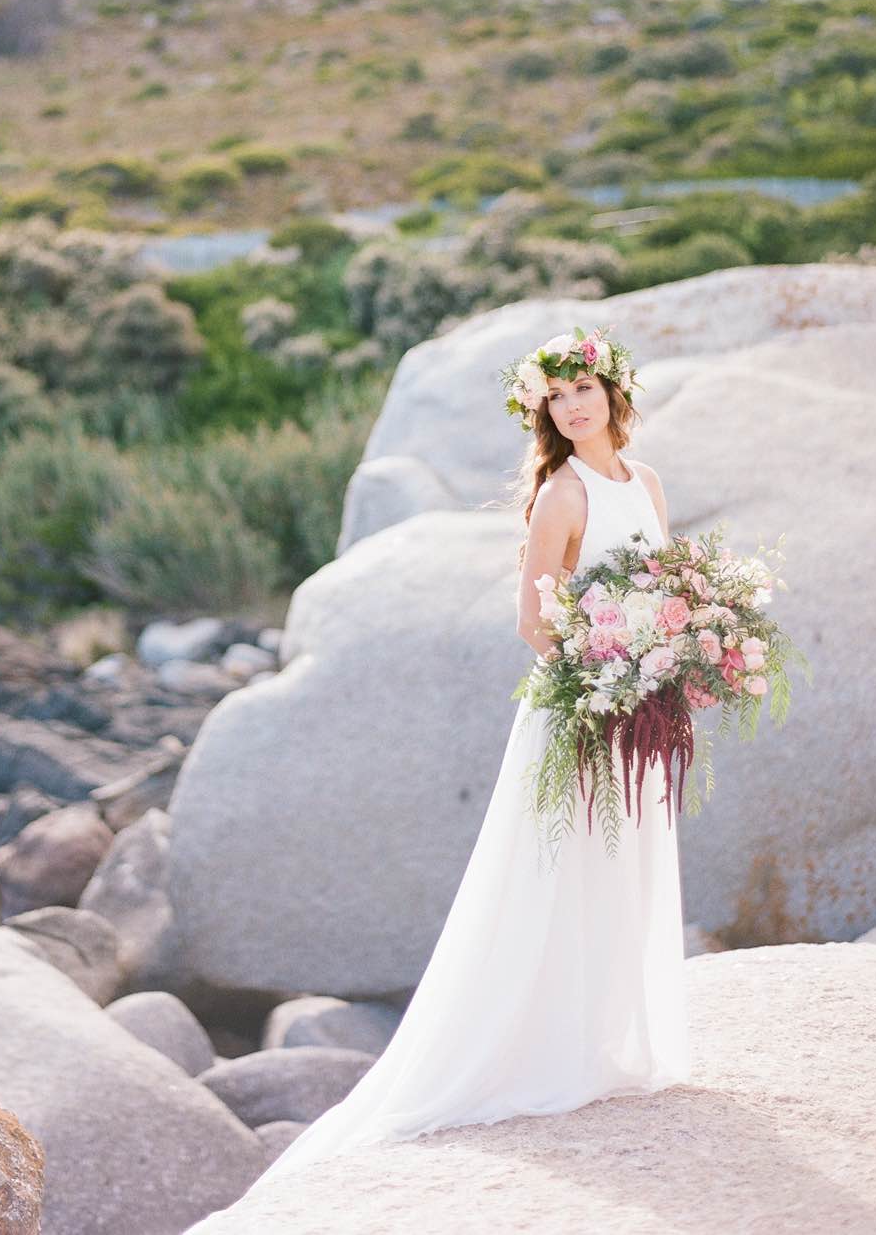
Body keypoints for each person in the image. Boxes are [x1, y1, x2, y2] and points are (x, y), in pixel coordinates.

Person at [185, 326, 689, 1228]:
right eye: (556, 397)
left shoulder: (644, 484)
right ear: (545, 412)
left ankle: (605, 1039)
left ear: (614, 393)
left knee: (628, 858)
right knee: (558, 863)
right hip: (580, 701)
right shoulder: (562, 495)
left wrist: (668, 657)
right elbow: (535, 622)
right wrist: (609, 667)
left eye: (584, 390)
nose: (573, 407)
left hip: (636, 701)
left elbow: (667, 586)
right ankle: (538, 1052)